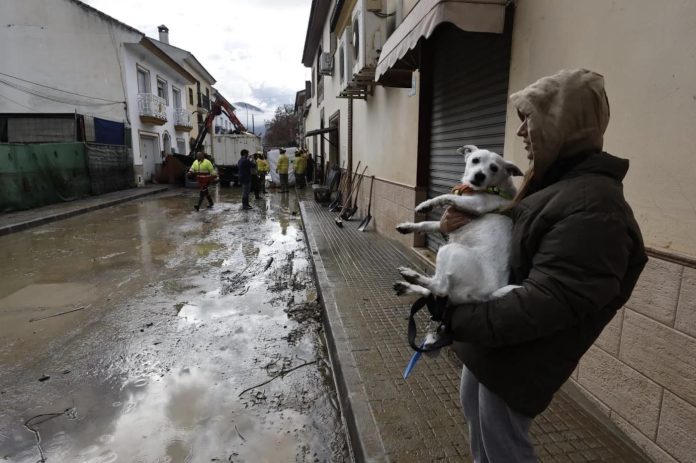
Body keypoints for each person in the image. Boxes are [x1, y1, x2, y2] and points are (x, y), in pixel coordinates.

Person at [438, 69, 647, 462]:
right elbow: (509, 252)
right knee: (480, 429)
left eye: (529, 120)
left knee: (504, 449)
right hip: (497, 343)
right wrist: (460, 224)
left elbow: (547, 300)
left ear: (563, 123)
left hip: (523, 357)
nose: (520, 133)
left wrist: (454, 317)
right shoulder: (555, 186)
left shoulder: (595, 207)